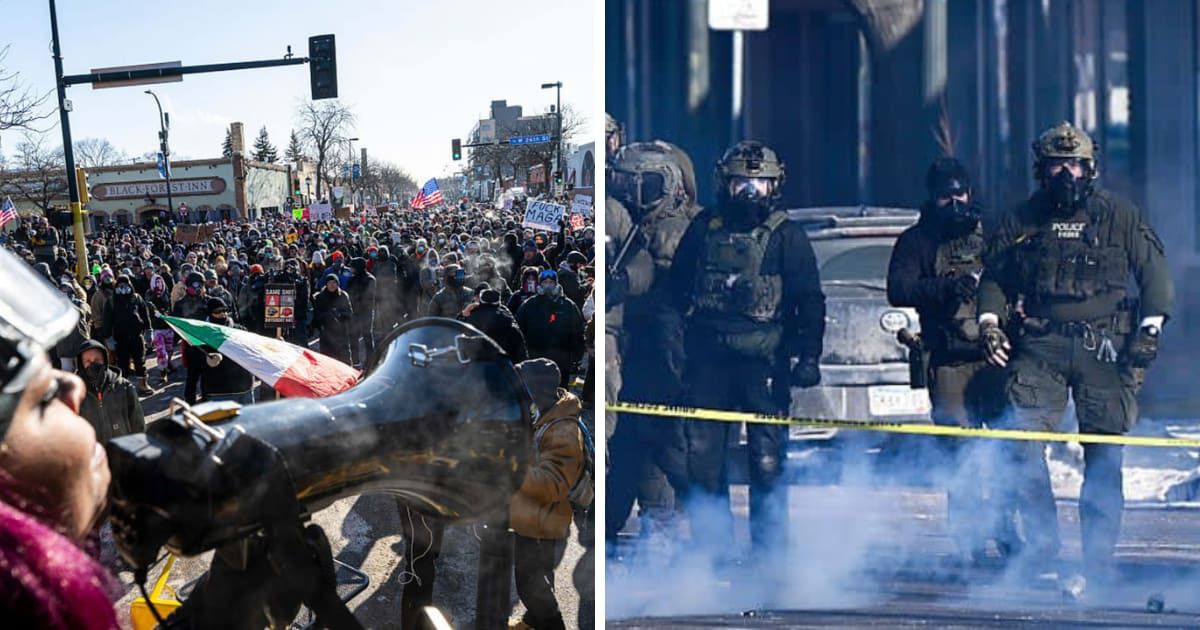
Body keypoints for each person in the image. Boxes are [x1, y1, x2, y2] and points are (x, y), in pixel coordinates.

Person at [977, 121, 1173, 585]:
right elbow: (994, 280)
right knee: (1021, 448)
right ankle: (1042, 543)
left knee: (1104, 455)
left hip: (1104, 346)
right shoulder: (1020, 219)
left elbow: (1155, 276)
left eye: (1076, 165)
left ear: (1091, 168)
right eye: (1057, 166)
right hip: (1040, 345)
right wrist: (988, 324)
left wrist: (1150, 328)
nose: (1067, 174)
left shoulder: (1120, 216)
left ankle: (1097, 561)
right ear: (1041, 171)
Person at [669, 140, 826, 558]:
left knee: (768, 463)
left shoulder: (786, 237)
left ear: (775, 186)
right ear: (726, 182)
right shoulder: (703, 230)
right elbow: (675, 292)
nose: (751, 191)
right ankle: (712, 552)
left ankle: (770, 555)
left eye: (760, 182)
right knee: (704, 463)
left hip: (765, 366)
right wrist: (678, 349)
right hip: (708, 364)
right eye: (743, 181)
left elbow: (808, 298)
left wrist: (808, 354)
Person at [886, 157, 1014, 564]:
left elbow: (1017, 275)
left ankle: (1011, 534)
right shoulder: (917, 241)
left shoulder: (991, 233)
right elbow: (899, 288)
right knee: (960, 456)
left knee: (1008, 451)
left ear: (970, 193)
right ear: (933, 198)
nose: (955, 203)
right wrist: (944, 288)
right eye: (946, 196)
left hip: (994, 358)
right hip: (948, 361)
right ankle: (969, 540)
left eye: (960, 194)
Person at [508, 359, 586, 630]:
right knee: (540, 577)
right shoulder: (544, 415)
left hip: (543, 520)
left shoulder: (563, 429)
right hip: (532, 515)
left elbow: (554, 483)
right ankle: (533, 621)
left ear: (537, 391)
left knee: (530, 585)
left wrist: (512, 472)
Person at [516, 270, 586, 389]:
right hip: (536, 356)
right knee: (536, 389)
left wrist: (576, 355)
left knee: (560, 391)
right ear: (540, 285)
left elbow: (577, 331)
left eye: (551, 282)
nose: (548, 285)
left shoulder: (567, 305)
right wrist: (521, 353)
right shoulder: (530, 305)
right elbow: (519, 329)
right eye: (545, 282)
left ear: (556, 284)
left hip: (561, 357)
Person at [183, 298, 255, 405]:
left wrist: (274, 345)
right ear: (210, 313)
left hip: (244, 391)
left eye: (225, 310)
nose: (223, 314)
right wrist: (190, 399)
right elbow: (193, 369)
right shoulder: (201, 336)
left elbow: (255, 352)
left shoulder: (240, 331)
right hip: (217, 393)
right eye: (218, 311)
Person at [75, 339, 145, 442]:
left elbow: (138, 421)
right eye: (88, 361)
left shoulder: (123, 386)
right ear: (81, 365)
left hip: (124, 450)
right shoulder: (77, 394)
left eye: (97, 360)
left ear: (105, 360)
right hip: (97, 454)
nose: (93, 364)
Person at [104, 275, 154, 396]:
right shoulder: (111, 301)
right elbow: (107, 321)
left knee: (140, 361)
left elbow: (145, 314)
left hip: (137, 336)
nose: (122, 288)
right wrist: (109, 338)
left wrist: (149, 330)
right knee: (122, 363)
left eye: (125, 285)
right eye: (120, 285)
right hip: (120, 338)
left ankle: (143, 384)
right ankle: (124, 388)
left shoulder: (136, 298)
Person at [462, 286, 527, 361]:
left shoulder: (472, 315)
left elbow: (459, 332)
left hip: (478, 367)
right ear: (498, 301)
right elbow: (520, 347)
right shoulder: (505, 315)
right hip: (503, 366)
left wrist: (464, 314)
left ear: (480, 300)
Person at [311, 274, 354, 364]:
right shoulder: (320, 297)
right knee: (327, 361)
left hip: (341, 334)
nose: (332, 285)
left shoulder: (343, 296)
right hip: (326, 334)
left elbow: (349, 313)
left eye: (334, 283)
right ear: (326, 284)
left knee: (344, 360)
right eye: (330, 283)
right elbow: (316, 316)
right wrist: (327, 316)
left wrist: (339, 314)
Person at [346, 257, 377, 366]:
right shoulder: (369, 279)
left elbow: (369, 297)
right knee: (357, 337)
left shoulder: (369, 279)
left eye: (352, 267)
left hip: (363, 312)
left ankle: (369, 361)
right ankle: (357, 361)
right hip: (360, 312)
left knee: (365, 336)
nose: (350, 269)